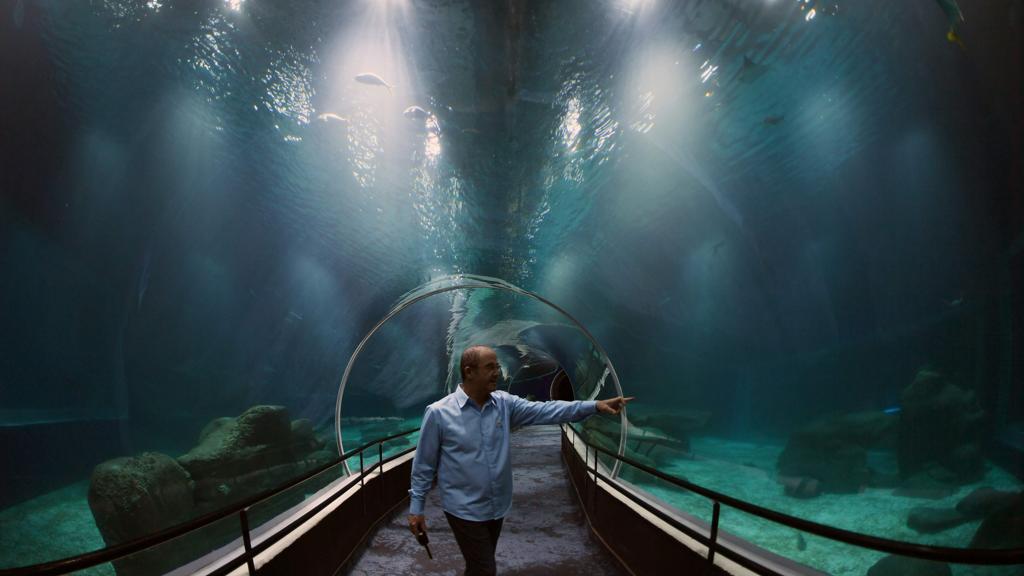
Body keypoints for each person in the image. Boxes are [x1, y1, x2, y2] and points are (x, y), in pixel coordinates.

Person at [407, 345, 634, 575]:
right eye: (490, 367)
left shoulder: (504, 404)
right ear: (469, 371)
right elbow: (424, 464)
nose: (497, 372)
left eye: (497, 366)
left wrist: (594, 406)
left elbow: (547, 410)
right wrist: (417, 508)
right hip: (463, 508)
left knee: (478, 566)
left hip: (497, 505)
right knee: (485, 568)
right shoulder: (438, 413)